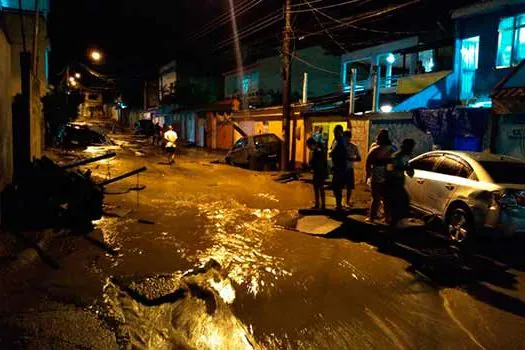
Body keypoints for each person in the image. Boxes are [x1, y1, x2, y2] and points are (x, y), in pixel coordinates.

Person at [366, 129, 395, 222]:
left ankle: (372, 217)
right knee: (386, 197)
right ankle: (387, 217)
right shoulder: (392, 149)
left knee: (375, 197)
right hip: (388, 174)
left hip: (377, 175)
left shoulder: (375, 150)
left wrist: (368, 174)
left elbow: (368, 163)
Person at [386, 139, 416, 226]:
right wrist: (404, 168)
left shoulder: (405, 157)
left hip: (399, 183)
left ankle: (395, 223)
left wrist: (409, 168)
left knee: (403, 203)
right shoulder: (395, 157)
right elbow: (390, 169)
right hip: (393, 184)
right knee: (398, 204)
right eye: (410, 147)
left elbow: (409, 171)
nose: (411, 150)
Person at [330, 125, 348, 210]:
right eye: (334, 132)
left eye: (336, 132)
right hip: (337, 166)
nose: (334, 134)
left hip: (340, 167)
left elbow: (341, 153)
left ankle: (339, 204)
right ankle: (338, 204)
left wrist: (332, 154)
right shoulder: (337, 140)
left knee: (337, 186)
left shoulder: (341, 141)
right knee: (335, 186)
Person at [307, 137, 328, 209]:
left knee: (319, 188)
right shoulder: (319, 149)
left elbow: (319, 162)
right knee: (317, 188)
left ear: (312, 144)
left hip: (319, 172)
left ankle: (320, 205)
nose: (309, 148)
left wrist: (313, 167)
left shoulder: (318, 150)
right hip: (319, 171)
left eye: (309, 146)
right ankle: (320, 204)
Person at [343, 130, 361, 208]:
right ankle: (340, 202)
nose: (346, 139)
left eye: (348, 137)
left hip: (349, 168)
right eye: (345, 137)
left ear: (350, 137)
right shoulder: (340, 145)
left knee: (349, 187)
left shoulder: (354, 146)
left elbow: (359, 158)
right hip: (341, 168)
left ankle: (347, 201)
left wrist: (351, 158)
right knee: (339, 186)